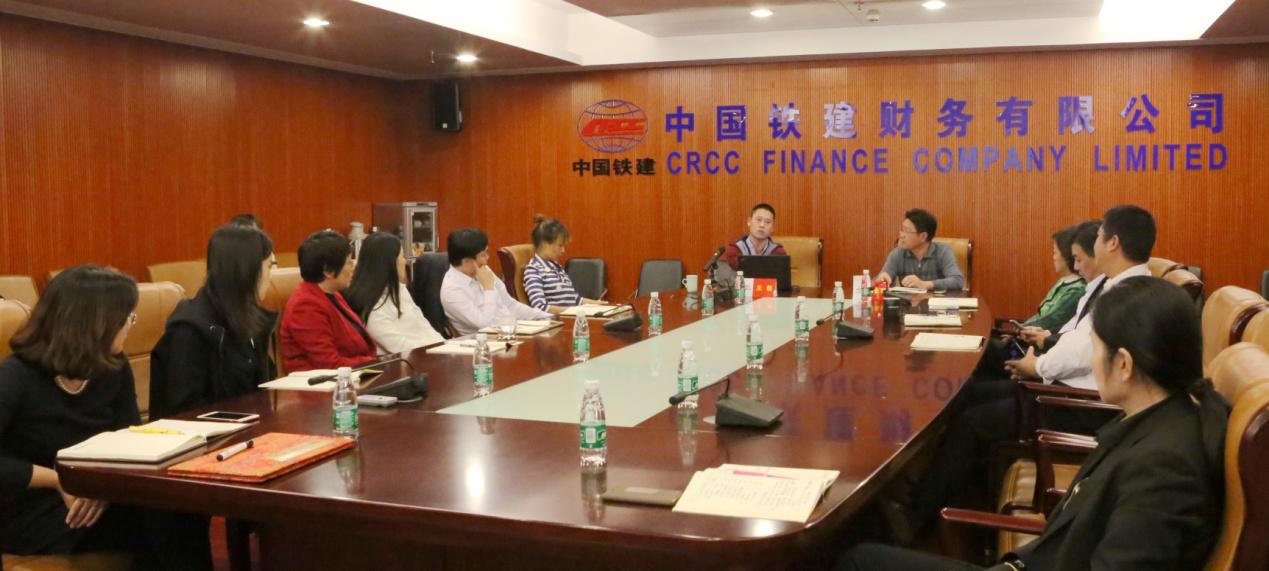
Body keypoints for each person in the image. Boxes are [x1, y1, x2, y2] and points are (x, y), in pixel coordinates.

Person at [839, 277, 1228, 570]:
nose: (1091, 364)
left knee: (859, 559)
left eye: (1095, 349)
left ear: (1124, 364)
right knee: (862, 543)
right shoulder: (1159, 422)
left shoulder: (1165, 467)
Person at [902, 207, 1157, 538]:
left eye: (1098, 236)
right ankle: (939, 488)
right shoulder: (1121, 286)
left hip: (1075, 404)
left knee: (971, 422)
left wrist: (1036, 366)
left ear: (1113, 243)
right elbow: (1074, 339)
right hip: (1064, 389)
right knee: (967, 393)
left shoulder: (1124, 295)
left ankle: (918, 515)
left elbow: (1081, 352)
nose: (1091, 246)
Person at [0, 265, 205, 568]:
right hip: (38, 506)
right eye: (126, 318)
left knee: (178, 509)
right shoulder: (15, 375)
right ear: (95, 324)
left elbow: (127, 439)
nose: (130, 325)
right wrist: (59, 480)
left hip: (99, 492)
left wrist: (102, 487)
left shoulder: (112, 366)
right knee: (157, 523)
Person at [150, 224, 277, 418]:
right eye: (269, 266)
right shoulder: (190, 331)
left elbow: (262, 389)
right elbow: (186, 412)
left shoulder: (251, 320)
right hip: (210, 435)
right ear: (248, 271)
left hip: (251, 429)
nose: (271, 276)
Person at [279, 230, 377, 372]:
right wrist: (374, 362)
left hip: (351, 374)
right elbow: (329, 364)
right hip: (320, 383)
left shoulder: (332, 293)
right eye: (348, 262)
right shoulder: (305, 306)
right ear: (328, 271)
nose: (353, 267)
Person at [344, 232, 444, 354]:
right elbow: (400, 347)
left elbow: (424, 326)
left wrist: (444, 346)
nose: (405, 262)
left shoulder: (399, 289)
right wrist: (436, 351)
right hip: (407, 361)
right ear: (389, 264)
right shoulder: (372, 307)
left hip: (430, 354)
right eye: (402, 257)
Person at [441, 228, 551, 336]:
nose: (487, 258)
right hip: (486, 341)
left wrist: (546, 316)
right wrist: (488, 288)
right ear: (466, 261)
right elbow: (485, 325)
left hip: (511, 333)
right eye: (483, 255)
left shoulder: (483, 270)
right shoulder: (452, 290)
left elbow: (510, 305)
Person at [522, 216, 604, 314]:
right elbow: (540, 307)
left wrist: (601, 305)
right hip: (556, 320)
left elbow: (575, 299)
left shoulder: (558, 268)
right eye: (560, 245)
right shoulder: (534, 270)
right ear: (545, 244)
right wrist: (574, 311)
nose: (563, 250)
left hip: (571, 316)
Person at [874, 208, 964, 291]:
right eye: (902, 230)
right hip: (907, 302)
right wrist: (882, 279)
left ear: (923, 236)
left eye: (907, 231)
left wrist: (925, 284)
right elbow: (879, 280)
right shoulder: (898, 253)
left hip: (936, 302)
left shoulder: (943, 252)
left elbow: (957, 281)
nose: (901, 235)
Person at [1019, 224, 1087, 332]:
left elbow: (1051, 319)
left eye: (1055, 253)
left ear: (1066, 255)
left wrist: (1019, 328)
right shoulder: (1063, 281)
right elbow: (1041, 314)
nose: (1053, 257)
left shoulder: (1077, 289)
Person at [714, 203, 786, 285]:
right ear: (749, 222)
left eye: (767, 222)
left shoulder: (778, 252)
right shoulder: (735, 249)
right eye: (758, 220)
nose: (762, 225)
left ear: (772, 227)